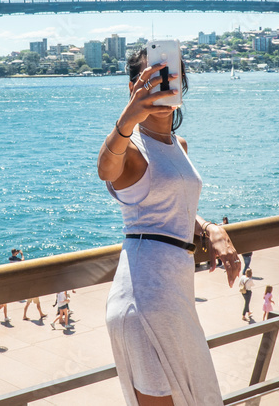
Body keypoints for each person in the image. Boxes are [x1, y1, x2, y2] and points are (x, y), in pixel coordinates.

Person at [97, 46, 240, 406]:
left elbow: (171, 207)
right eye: (151, 79)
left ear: (181, 85)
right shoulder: (131, 149)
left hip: (174, 294)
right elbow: (105, 169)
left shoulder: (179, 145)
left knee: (200, 397)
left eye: (169, 77)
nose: (161, 86)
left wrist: (209, 228)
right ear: (133, 88)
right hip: (143, 296)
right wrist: (127, 119)